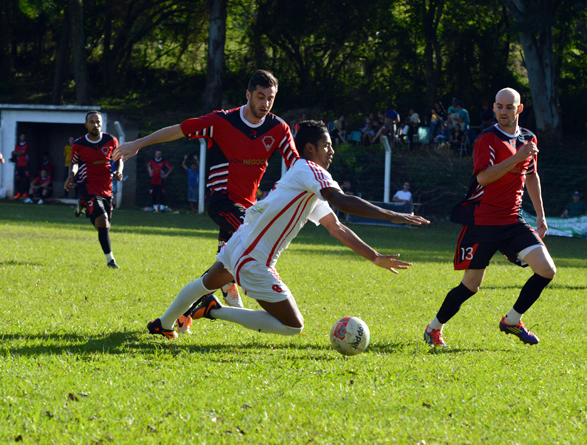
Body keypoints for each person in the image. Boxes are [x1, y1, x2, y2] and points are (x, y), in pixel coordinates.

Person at [146, 120, 429, 340]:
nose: (331, 151)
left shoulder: (305, 182)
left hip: (243, 241)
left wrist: (374, 256)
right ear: (310, 149)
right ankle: (214, 310)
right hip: (254, 257)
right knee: (294, 326)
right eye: (327, 145)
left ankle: (164, 324)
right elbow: (342, 201)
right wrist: (392, 215)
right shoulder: (310, 170)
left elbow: (337, 227)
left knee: (205, 282)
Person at [112, 69, 300, 325]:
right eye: (259, 96)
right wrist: (138, 143)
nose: (265, 104)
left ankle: (180, 317)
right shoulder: (222, 121)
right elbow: (178, 130)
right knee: (253, 249)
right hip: (221, 201)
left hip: (248, 208)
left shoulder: (278, 128)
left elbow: (298, 165)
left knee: (222, 270)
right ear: (248, 95)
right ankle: (251, 294)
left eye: (270, 98)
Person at [423, 87, 556, 348]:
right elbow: (483, 177)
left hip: (513, 220)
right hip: (482, 222)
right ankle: (434, 328)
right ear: (493, 108)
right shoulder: (487, 138)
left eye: (509, 107)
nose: (503, 111)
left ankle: (512, 321)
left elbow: (531, 175)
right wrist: (516, 158)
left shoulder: (529, 139)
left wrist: (540, 214)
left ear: (519, 109)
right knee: (471, 286)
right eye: (499, 106)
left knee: (546, 270)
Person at [64, 111, 123, 269]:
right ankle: (111, 261)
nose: (95, 125)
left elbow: (118, 160)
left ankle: (84, 206)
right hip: (87, 184)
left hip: (106, 186)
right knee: (103, 220)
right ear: (86, 125)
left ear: (102, 123)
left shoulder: (111, 140)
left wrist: (119, 171)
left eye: (98, 122)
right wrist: (71, 176)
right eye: (92, 122)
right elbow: (74, 163)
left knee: (103, 226)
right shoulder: (79, 144)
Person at [12, 133, 30, 199]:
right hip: (19, 164)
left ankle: (26, 192)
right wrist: (19, 153)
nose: (22, 138)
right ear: (19, 137)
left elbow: (23, 152)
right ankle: (18, 192)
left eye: (24, 137)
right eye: (21, 136)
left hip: (25, 164)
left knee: (26, 178)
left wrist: (18, 153)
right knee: (17, 178)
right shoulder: (17, 145)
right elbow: (14, 153)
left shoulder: (27, 145)